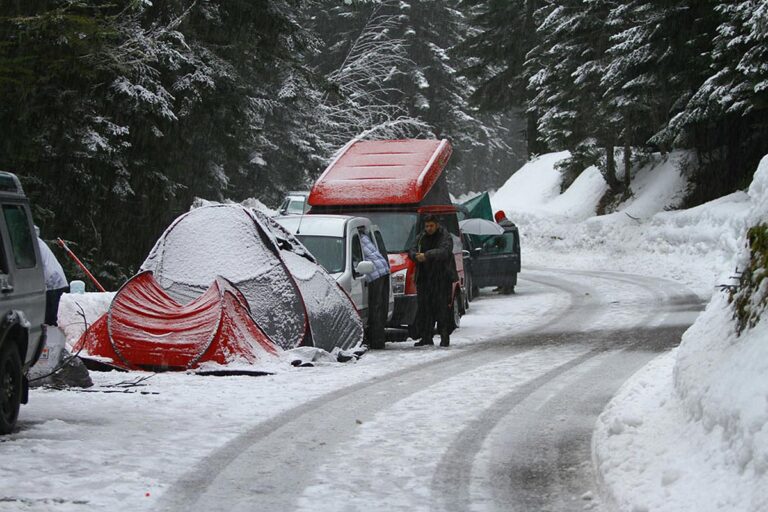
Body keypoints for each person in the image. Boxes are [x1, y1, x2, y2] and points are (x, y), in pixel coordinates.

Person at [408, 215, 458, 347]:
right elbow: (411, 250)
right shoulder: (421, 237)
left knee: (441, 309)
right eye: (427, 226)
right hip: (424, 279)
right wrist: (415, 256)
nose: (429, 228)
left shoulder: (445, 236)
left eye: (431, 226)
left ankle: (444, 337)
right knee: (425, 309)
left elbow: (445, 252)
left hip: (441, 279)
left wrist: (427, 255)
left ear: (436, 225)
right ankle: (426, 337)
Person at [359, 229, 390, 350]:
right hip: (382, 268)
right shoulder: (363, 236)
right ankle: (378, 339)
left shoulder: (354, 237)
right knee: (379, 307)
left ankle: (377, 342)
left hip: (375, 272)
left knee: (375, 308)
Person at [35, 227, 68, 325]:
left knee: (51, 316)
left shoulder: (34, 244)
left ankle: (52, 335)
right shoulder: (38, 242)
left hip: (52, 281)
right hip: (53, 280)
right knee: (50, 313)